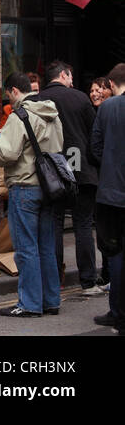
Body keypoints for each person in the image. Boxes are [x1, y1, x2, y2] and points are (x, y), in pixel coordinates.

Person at [0, 73, 64, 318]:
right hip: (49, 188)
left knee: (26, 249)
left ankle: (30, 304)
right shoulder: (53, 114)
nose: (9, 99)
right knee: (46, 246)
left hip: (24, 187)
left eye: (8, 95)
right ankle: (51, 300)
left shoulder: (18, 116)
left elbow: (9, 154)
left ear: (14, 91)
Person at [42, 61, 103, 294]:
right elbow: (94, 134)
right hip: (82, 171)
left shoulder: (37, 100)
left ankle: (54, 280)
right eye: (71, 77)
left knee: (54, 225)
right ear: (64, 75)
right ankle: (88, 281)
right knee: (83, 225)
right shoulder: (79, 98)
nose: (73, 82)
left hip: (52, 174)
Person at [90, 64, 125, 333]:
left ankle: (117, 311)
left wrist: (111, 164)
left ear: (111, 85)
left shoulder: (107, 109)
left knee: (114, 254)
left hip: (111, 195)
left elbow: (95, 148)